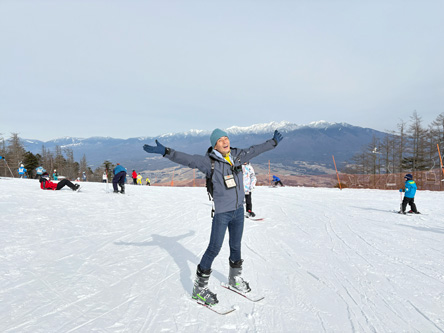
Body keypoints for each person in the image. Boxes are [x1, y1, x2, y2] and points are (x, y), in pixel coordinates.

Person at [143, 128, 283, 305]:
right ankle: (199, 288)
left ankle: (234, 279)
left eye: (226, 138)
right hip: (222, 213)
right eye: (220, 140)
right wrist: (166, 152)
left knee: (236, 245)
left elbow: (256, 149)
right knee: (214, 248)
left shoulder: (238, 155)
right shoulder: (209, 162)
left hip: (239, 211)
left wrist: (273, 142)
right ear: (214, 145)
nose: (225, 142)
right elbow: (188, 159)